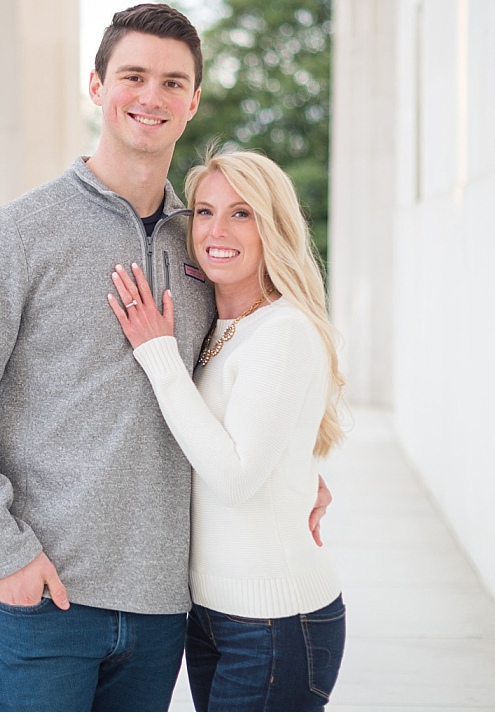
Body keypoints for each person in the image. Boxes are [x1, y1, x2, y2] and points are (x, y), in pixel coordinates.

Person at [0, 3, 329, 712]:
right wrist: (4, 550)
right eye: (133, 76)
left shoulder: (202, 243)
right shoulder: (17, 234)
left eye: (173, 82)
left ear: (193, 101)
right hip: (43, 596)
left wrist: (295, 471)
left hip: (162, 609)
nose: (151, 96)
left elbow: (248, 372)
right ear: (97, 86)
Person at [107, 149, 347, 712]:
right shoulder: (225, 329)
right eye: (205, 212)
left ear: (274, 227)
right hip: (215, 615)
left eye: (242, 214)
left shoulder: (282, 330)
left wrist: (159, 356)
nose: (217, 231)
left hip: (275, 618)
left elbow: (237, 478)